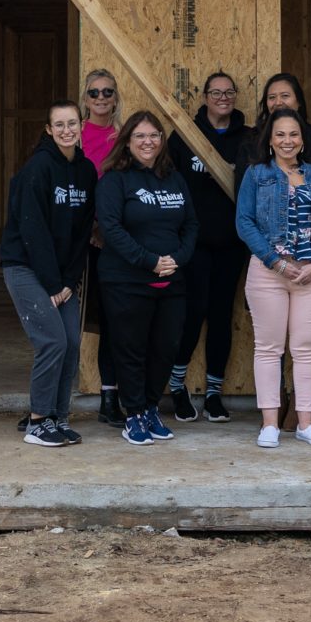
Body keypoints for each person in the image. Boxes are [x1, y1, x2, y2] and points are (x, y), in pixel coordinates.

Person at [234, 107, 311, 448]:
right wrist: (275, 262)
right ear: (270, 139)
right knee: (268, 348)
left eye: (293, 134)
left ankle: (306, 423)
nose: (287, 140)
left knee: (307, 348)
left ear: (302, 139)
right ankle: (269, 424)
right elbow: (244, 222)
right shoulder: (256, 175)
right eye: (280, 134)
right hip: (268, 272)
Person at [0, 101, 98, 447]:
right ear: (49, 130)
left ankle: (57, 416)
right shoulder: (38, 168)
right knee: (51, 340)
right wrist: (53, 283)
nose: (67, 130)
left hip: (61, 277)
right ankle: (38, 422)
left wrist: (69, 281)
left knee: (70, 342)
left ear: (81, 126)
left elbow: (82, 232)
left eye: (72, 123)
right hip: (26, 267)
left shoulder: (85, 171)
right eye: (59, 125)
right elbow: (32, 229)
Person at [95, 110, 198, 447]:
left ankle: (152, 408)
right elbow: (111, 229)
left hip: (172, 281)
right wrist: (149, 261)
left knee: (165, 348)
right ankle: (134, 413)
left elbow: (191, 225)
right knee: (131, 349)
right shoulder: (114, 180)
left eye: (154, 135)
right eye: (139, 136)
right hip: (126, 281)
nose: (147, 142)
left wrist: (176, 260)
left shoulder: (174, 178)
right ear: (127, 141)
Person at [165, 72, 254, 423]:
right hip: (193, 244)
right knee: (191, 312)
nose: (223, 98)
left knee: (221, 316)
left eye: (229, 92)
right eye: (216, 92)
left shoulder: (248, 139)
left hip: (232, 244)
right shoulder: (184, 137)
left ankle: (214, 394)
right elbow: (167, 183)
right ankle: (176, 386)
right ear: (204, 97)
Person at [78, 69, 124, 426]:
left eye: (107, 91)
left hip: (117, 239)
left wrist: (110, 230)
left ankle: (111, 397)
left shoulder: (125, 136)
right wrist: (91, 228)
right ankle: (51, 401)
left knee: (114, 321)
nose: (101, 98)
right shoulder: (73, 135)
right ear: (86, 98)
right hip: (82, 239)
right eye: (94, 93)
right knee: (71, 320)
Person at [260, 72, 311, 202]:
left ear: (299, 101)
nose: (278, 102)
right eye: (272, 97)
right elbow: (244, 205)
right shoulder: (252, 140)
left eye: (285, 96)